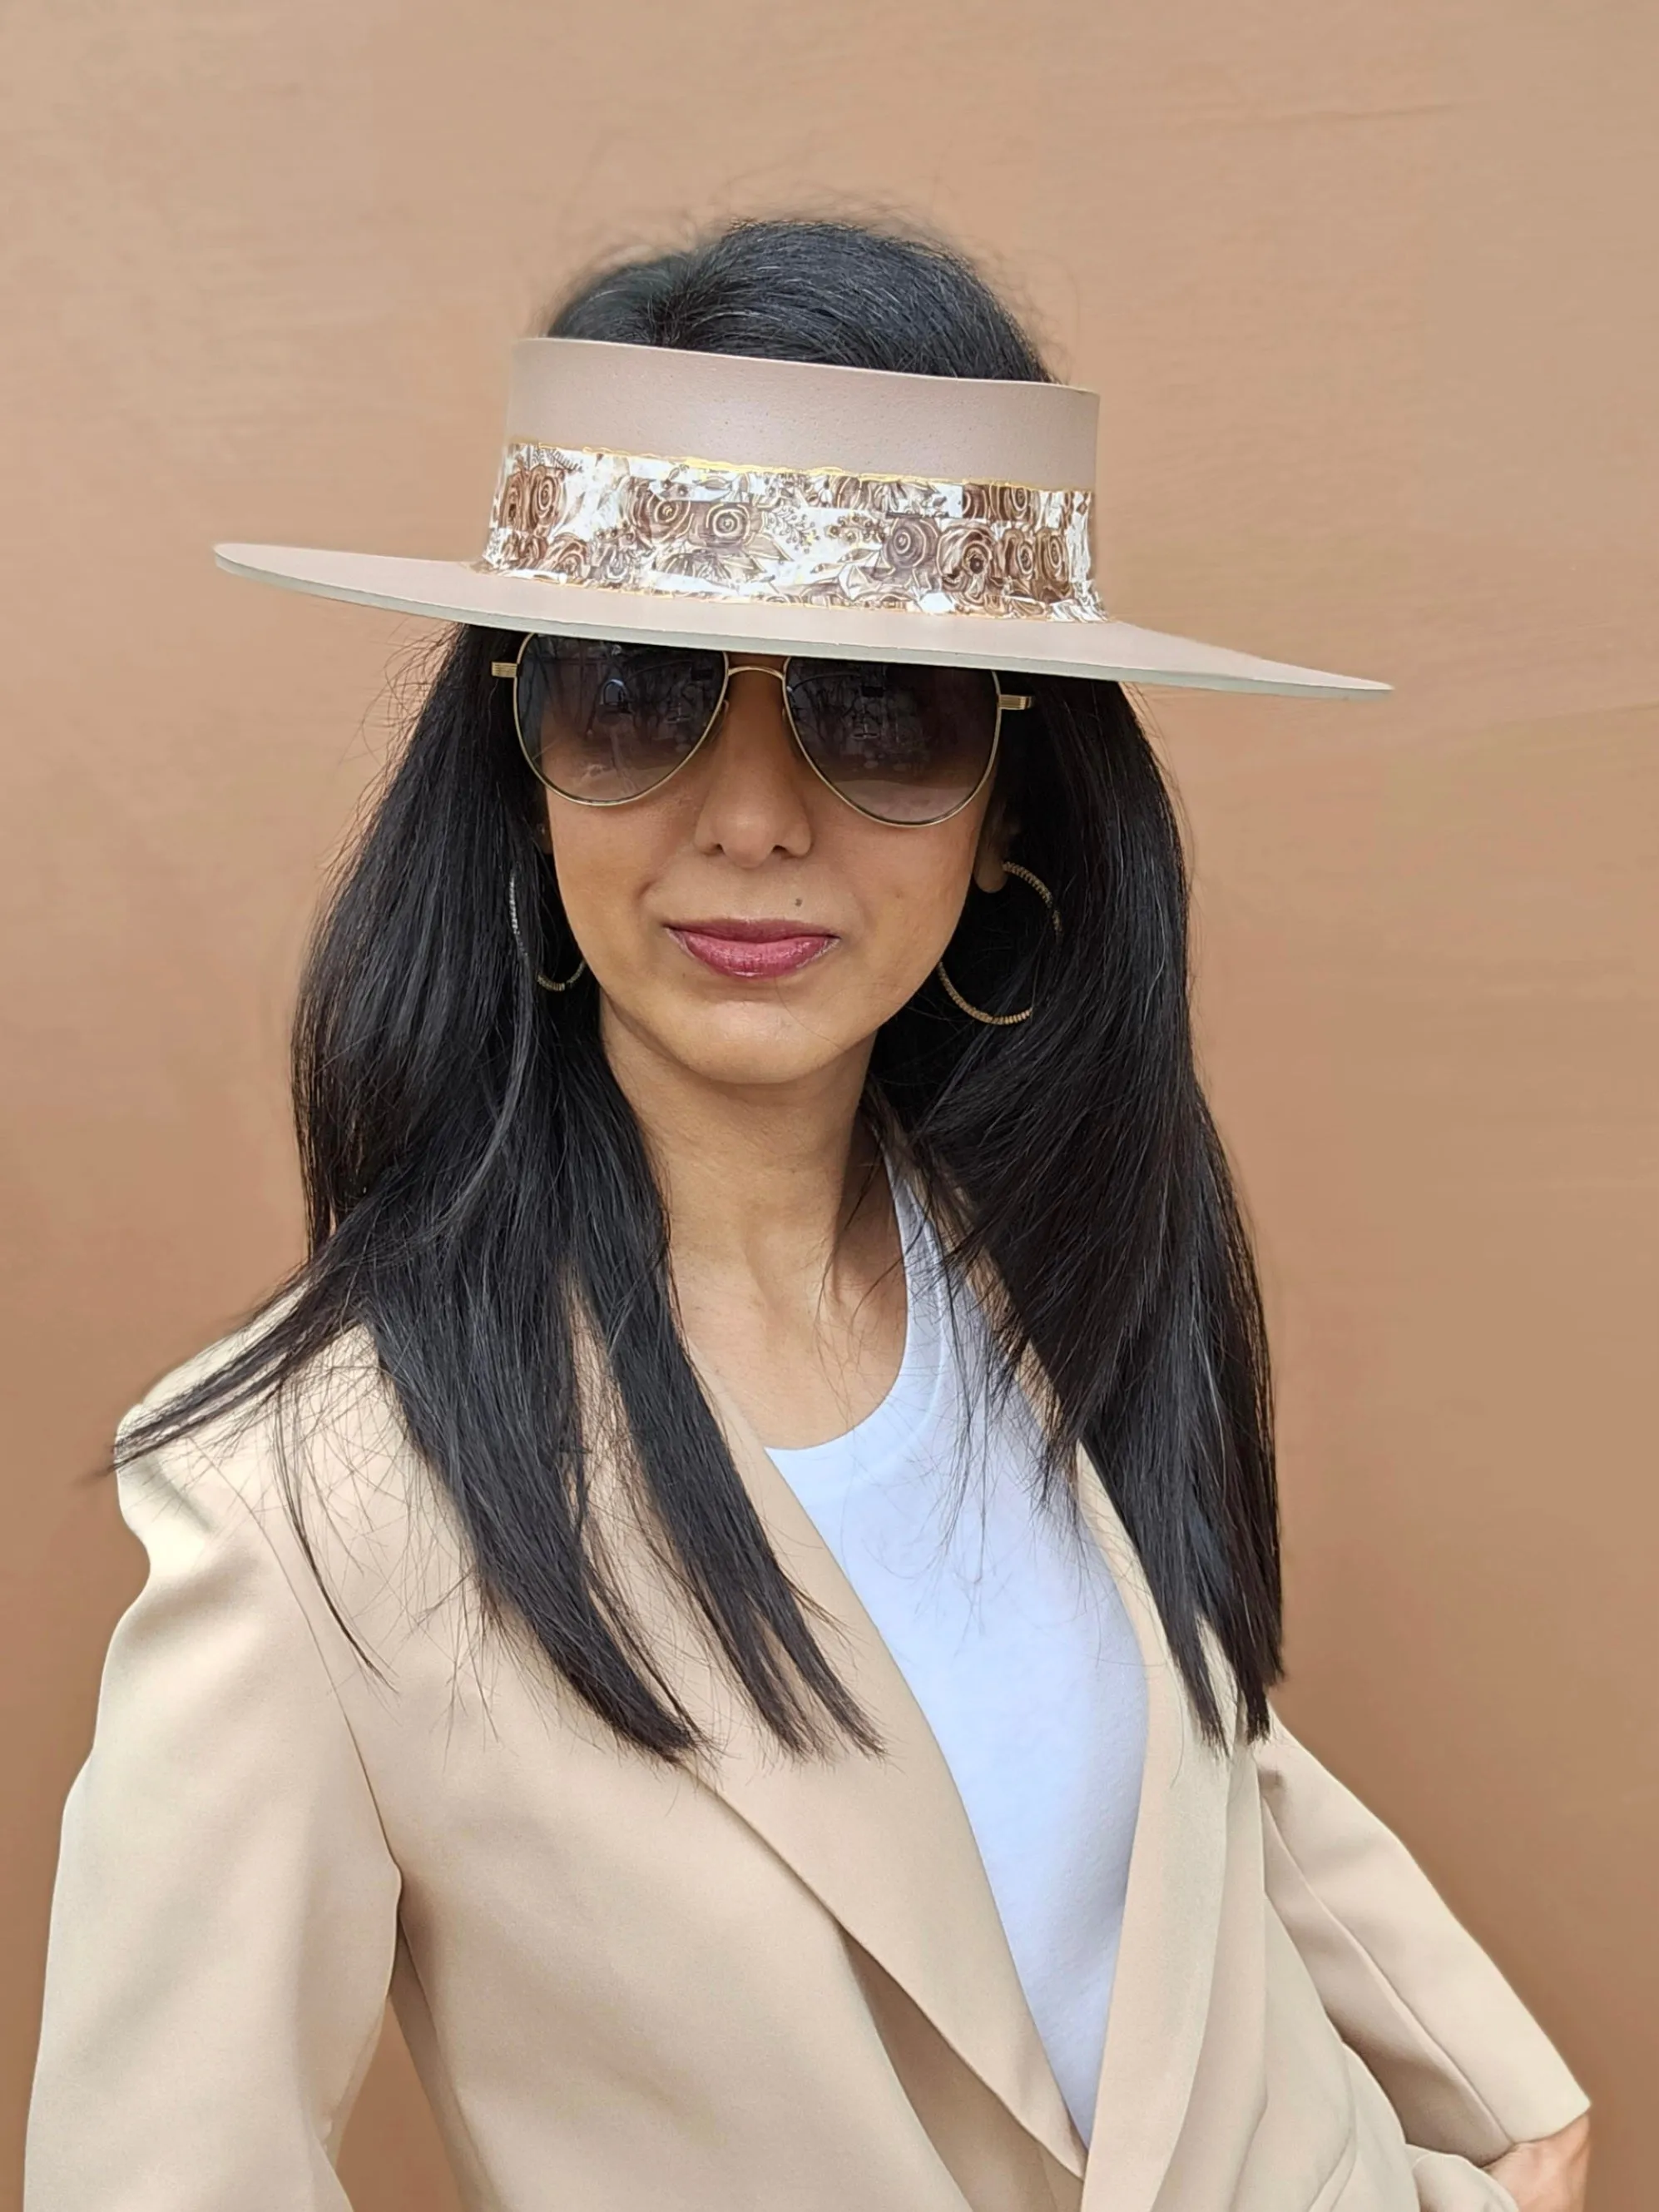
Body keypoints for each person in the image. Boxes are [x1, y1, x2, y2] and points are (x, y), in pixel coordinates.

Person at [25, 218, 1590, 2212]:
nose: (752, 816)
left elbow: (1177, 1759)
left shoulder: (1046, 1252)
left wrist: (1503, 2111)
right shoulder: (310, 1502)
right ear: (519, 765)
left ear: (1016, 790)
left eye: (880, 709)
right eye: (634, 691)